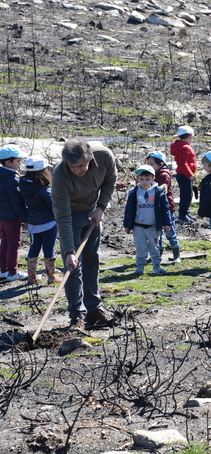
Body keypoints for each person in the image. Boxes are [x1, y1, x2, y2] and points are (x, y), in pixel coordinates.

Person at [51, 139, 116, 329]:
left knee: (91, 260)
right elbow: (62, 217)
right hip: (70, 215)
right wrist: (69, 251)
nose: (77, 170)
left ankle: (94, 310)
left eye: (80, 166)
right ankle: (76, 317)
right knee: (72, 266)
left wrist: (101, 207)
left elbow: (110, 180)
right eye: (73, 167)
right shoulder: (60, 176)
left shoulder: (104, 156)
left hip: (93, 211)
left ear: (89, 158)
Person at [123, 165, 172, 276]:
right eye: (141, 179)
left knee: (155, 248)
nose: (144, 182)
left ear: (153, 179)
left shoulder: (159, 192)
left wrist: (167, 223)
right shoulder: (134, 192)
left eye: (147, 179)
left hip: (153, 226)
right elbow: (129, 209)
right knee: (140, 247)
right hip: (138, 226)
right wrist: (127, 225)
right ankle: (140, 267)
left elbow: (165, 209)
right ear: (137, 179)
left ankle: (157, 267)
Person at [20, 156, 60, 284]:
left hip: (32, 222)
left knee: (34, 246)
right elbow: (53, 207)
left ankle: (31, 276)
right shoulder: (45, 190)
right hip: (49, 222)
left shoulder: (23, 185)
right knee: (49, 248)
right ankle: (51, 276)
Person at [145, 151, 180, 264]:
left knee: (170, 232)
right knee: (157, 233)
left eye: (151, 164)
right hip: (155, 208)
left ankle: (176, 255)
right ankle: (156, 255)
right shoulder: (152, 174)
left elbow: (161, 190)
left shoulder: (164, 175)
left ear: (160, 164)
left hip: (166, 208)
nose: (149, 166)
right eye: (148, 164)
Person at [0, 145, 28, 282]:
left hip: (1, 218)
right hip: (12, 218)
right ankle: (13, 272)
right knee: (13, 244)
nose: (20, 163)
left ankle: (3, 271)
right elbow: (17, 203)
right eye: (18, 161)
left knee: (4, 242)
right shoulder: (12, 179)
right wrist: (25, 218)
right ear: (8, 162)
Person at [169, 126, 197, 223]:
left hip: (183, 174)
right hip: (184, 175)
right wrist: (190, 175)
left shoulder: (180, 146)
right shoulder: (185, 147)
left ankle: (186, 213)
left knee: (188, 195)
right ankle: (182, 216)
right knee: (186, 196)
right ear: (189, 136)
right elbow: (183, 163)